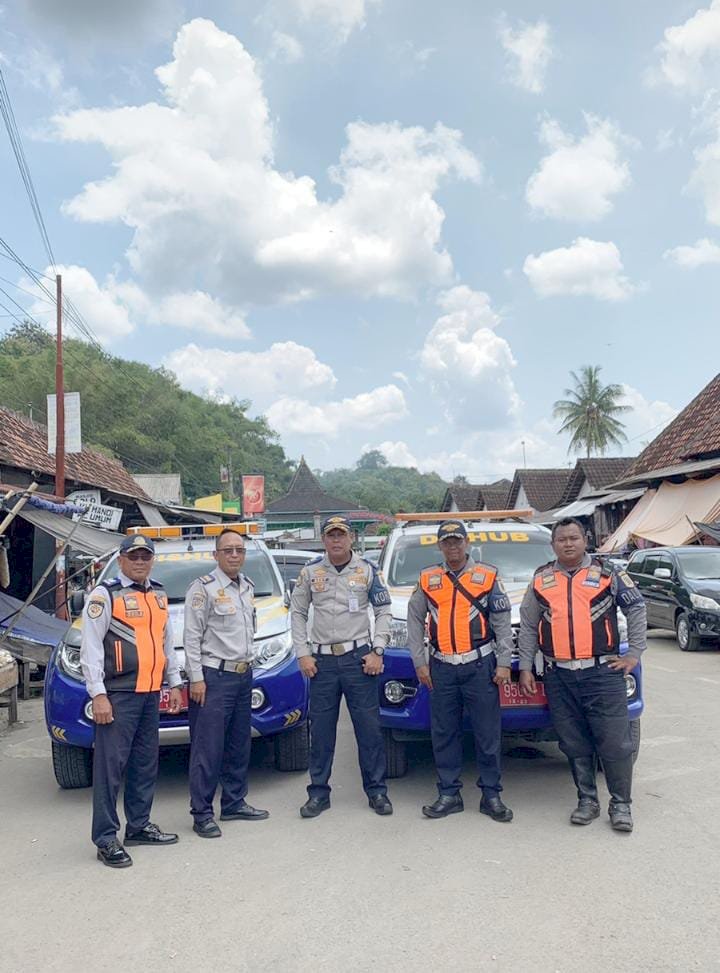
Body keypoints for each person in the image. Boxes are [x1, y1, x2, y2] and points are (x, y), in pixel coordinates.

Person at [518, 517, 646, 833]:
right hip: (558, 675)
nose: (568, 544)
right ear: (553, 545)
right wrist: (524, 667)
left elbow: (637, 607)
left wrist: (634, 654)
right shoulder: (541, 579)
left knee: (615, 742)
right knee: (573, 742)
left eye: (574, 537)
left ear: (584, 539)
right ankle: (587, 801)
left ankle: (621, 805)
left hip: (602, 673)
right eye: (562, 539)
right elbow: (529, 625)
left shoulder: (609, 573)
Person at [80, 534, 183, 868]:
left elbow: (167, 642)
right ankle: (106, 838)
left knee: (144, 763)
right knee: (110, 769)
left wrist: (175, 683)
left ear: (152, 560)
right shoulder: (105, 594)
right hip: (118, 694)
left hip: (151, 693)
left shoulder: (159, 593)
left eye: (145, 556)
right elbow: (91, 647)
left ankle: (138, 826)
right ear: (121, 559)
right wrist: (98, 693)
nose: (140, 561)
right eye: (133, 556)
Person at [407, 520, 514, 822]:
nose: (453, 546)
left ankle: (491, 795)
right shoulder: (428, 579)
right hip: (441, 667)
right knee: (443, 732)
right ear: (439, 546)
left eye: (457, 541)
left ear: (467, 543)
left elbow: (502, 622)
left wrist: (504, 663)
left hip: (480, 665)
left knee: (488, 733)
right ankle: (449, 793)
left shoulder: (488, 576)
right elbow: (414, 621)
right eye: (447, 541)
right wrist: (419, 662)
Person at [291, 515, 393, 818]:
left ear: (351, 538)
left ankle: (377, 791)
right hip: (321, 662)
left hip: (358, 658)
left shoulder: (367, 570)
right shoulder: (310, 573)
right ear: (323, 540)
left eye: (341, 535)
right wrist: (302, 653)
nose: (336, 540)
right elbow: (297, 612)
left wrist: (378, 649)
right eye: (331, 535)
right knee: (321, 730)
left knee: (369, 729)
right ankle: (319, 793)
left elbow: (384, 609)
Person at [184, 529, 269, 838]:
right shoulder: (202, 589)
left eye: (239, 550)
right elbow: (191, 637)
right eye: (228, 550)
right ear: (216, 555)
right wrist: (196, 679)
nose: (234, 555)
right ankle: (202, 812)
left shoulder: (247, 587)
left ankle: (234, 802)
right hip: (213, 677)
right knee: (208, 748)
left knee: (238, 744)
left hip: (243, 674)